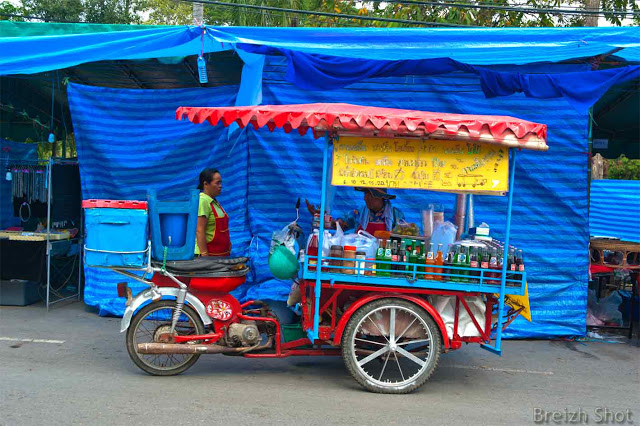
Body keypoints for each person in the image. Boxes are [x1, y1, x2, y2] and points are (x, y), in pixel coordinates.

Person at [306, 187, 404, 234]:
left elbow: (402, 237)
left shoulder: (395, 215)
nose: (365, 198)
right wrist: (321, 218)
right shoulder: (359, 213)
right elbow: (341, 225)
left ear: (381, 197)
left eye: (370, 195)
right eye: (365, 194)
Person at [195, 168, 231, 257]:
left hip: (219, 255)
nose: (220, 186)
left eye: (221, 183)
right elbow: (199, 230)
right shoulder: (203, 201)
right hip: (208, 256)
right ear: (206, 184)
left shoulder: (214, 202)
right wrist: (204, 255)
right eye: (217, 183)